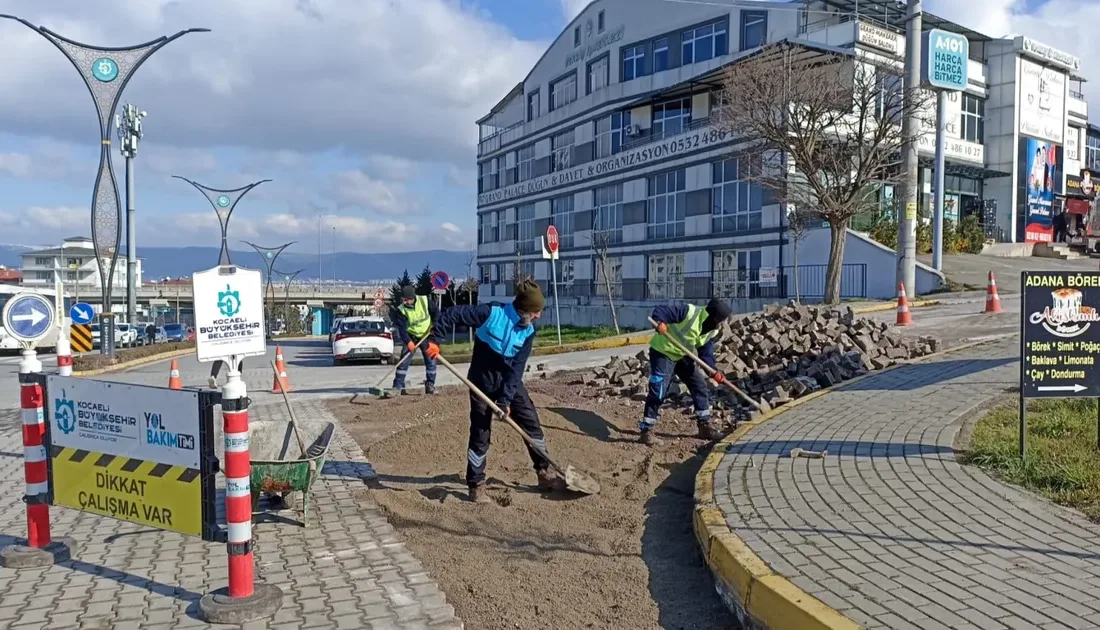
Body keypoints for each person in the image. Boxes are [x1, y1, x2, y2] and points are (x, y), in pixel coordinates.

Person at [425, 280, 561, 503]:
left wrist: (505, 400)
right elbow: (452, 313)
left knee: (531, 424)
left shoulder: (529, 330)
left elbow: (516, 368)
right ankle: (476, 484)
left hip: (509, 380)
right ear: (524, 310)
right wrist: (435, 339)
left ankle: (544, 471)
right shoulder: (490, 313)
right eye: (536, 312)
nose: (538, 316)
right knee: (480, 432)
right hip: (481, 380)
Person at [641, 298, 734, 446]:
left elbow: (706, 353)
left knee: (699, 385)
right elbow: (662, 310)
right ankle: (646, 430)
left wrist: (713, 371)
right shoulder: (689, 312)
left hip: (682, 355)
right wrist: (661, 322)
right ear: (713, 316)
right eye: (721, 320)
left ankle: (704, 426)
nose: (722, 323)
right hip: (663, 352)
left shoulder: (712, 329)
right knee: (659, 390)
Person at [391, 285, 439, 395]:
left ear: (412, 297)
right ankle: (397, 387)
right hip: (411, 335)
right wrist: (409, 342)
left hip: (426, 335)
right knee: (403, 362)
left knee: (431, 361)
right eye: (403, 300)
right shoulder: (401, 310)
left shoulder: (425, 301)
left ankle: (430, 385)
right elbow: (402, 329)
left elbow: (436, 313)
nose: (405, 302)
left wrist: (434, 326)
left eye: (407, 300)